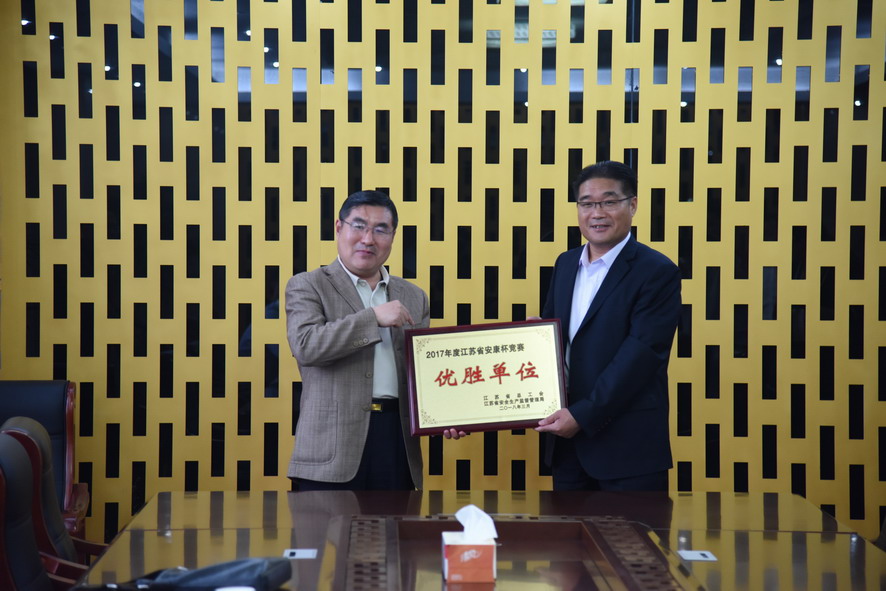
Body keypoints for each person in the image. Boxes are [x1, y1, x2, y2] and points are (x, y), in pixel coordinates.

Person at [285, 190, 462, 492]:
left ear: (392, 236)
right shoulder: (308, 285)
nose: (368, 239)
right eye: (358, 226)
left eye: (381, 230)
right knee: (324, 523)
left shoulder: (413, 296)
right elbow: (306, 345)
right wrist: (373, 318)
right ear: (339, 228)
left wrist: (446, 414)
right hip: (330, 447)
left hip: (396, 441)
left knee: (395, 523)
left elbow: (421, 374)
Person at [535, 161, 682, 491]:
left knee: (633, 529)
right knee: (567, 527)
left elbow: (641, 355)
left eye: (609, 202)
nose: (597, 213)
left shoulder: (657, 271)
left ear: (633, 205)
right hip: (567, 447)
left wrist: (583, 415)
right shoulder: (565, 263)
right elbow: (554, 341)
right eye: (587, 203)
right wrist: (536, 337)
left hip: (628, 451)